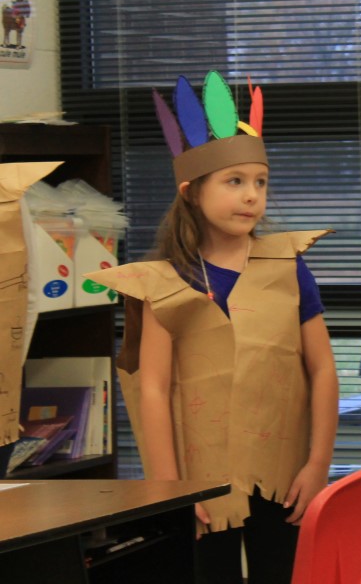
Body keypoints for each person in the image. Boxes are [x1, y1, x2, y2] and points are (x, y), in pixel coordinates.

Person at [86, 73, 338, 584]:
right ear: (191, 192)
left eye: (260, 182)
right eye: (234, 181)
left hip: (281, 474)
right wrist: (169, 489)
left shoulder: (287, 267)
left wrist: (317, 464)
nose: (252, 196)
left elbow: (323, 369)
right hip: (200, 481)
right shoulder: (168, 281)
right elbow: (154, 387)